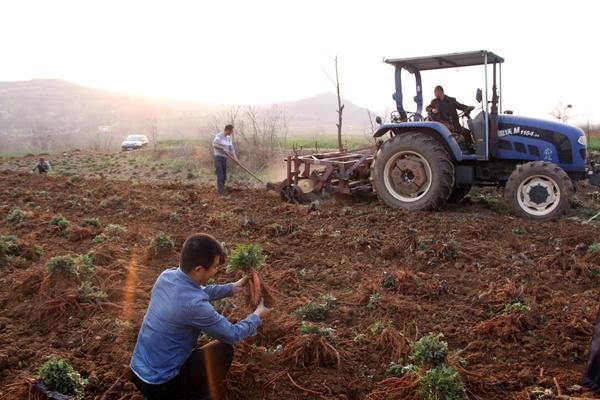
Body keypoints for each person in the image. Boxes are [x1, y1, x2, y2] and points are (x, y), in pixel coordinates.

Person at [130, 233, 271, 400]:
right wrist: (257, 315)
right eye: (214, 266)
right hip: (162, 385)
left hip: (137, 372)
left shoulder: (166, 276)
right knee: (224, 349)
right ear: (198, 269)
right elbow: (232, 334)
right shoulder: (195, 306)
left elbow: (200, 291)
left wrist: (232, 288)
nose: (216, 270)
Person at [426, 86, 476, 152]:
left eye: (435, 92)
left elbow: (460, 106)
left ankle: (471, 149)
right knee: (450, 129)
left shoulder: (451, 100)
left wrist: (468, 107)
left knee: (466, 132)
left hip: (454, 124)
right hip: (441, 124)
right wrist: (432, 109)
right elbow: (427, 108)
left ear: (440, 91)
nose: (434, 94)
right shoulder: (434, 102)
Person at [212, 125, 238, 195]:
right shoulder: (219, 136)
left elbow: (232, 149)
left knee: (224, 176)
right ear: (227, 130)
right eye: (231, 131)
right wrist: (221, 147)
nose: (232, 132)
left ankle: (222, 188)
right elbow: (214, 144)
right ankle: (221, 192)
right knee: (220, 174)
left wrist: (236, 158)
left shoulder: (229, 138)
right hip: (218, 157)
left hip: (224, 158)